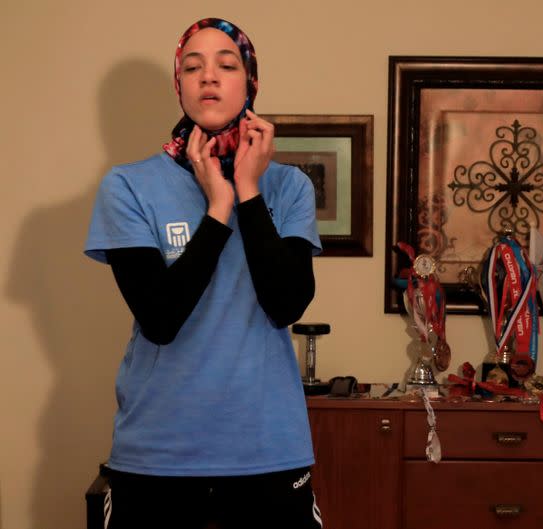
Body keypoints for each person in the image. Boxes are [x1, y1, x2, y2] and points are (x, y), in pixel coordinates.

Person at [84, 18, 322, 529]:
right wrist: (217, 209)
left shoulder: (290, 187)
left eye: (226, 64)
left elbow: (287, 304)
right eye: (192, 67)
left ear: (249, 83)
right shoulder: (128, 186)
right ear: (179, 86)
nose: (207, 77)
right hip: (158, 456)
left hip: (269, 452)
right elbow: (160, 317)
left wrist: (249, 192)